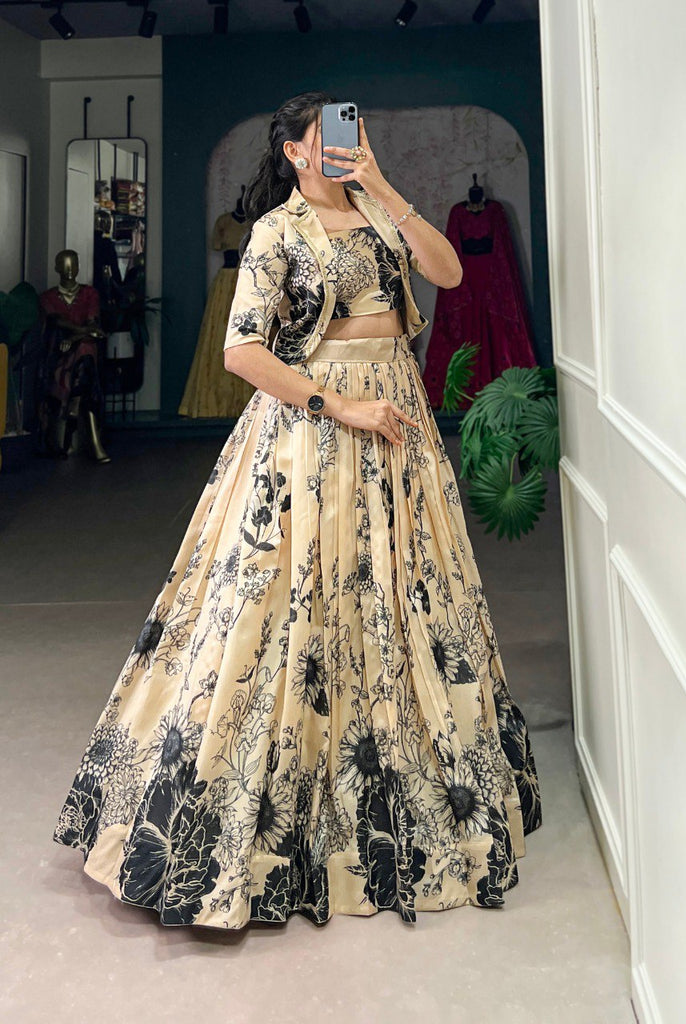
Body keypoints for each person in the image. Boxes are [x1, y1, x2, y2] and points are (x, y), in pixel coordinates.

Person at [52, 91, 542, 930]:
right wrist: (339, 406)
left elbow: (450, 273)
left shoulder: (380, 213)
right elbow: (242, 350)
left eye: (357, 132)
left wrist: (382, 186)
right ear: (295, 152)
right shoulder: (277, 232)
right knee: (287, 605)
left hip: (398, 425)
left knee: (404, 598)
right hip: (317, 432)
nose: (350, 145)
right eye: (333, 137)